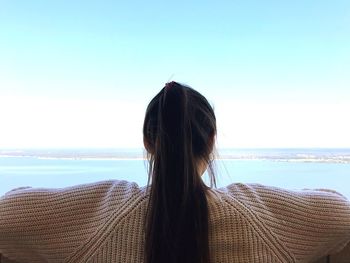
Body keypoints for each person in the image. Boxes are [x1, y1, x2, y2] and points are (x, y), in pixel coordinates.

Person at [0, 81, 349, 263]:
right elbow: (339, 214)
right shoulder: (257, 217)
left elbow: (8, 213)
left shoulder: (106, 214)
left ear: (147, 143)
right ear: (211, 141)